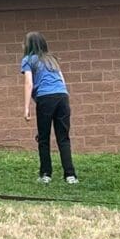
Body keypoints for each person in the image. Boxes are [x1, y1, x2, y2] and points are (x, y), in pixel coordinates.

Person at [21, 32, 78, 184]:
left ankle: (46, 174)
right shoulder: (52, 60)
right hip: (62, 97)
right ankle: (70, 175)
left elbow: (28, 83)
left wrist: (26, 108)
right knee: (63, 137)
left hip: (46, 99)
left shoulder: (28, 60)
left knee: (44, 138)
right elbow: (62, 81)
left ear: (29, 45)